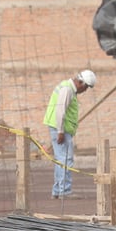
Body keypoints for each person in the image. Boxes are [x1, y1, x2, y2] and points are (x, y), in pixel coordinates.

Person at [43, 69, 96, 199]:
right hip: (60, 129)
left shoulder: (68, 88)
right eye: (86, 88)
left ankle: (58, 191)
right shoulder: (67, 90)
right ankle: (64, 191)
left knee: (61, 159)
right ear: (81, 83)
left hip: (60, 128)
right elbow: (60, 111)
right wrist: (60, 131)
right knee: (65, 159)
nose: (85, 91)